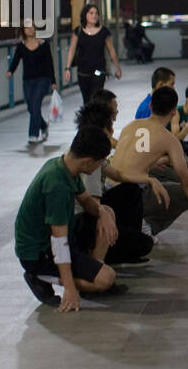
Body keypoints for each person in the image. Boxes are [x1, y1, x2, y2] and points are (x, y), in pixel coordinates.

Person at [14, 125, 124, 311]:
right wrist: (70, 288)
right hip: (38, 253)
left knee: (106, 211)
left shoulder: (64, 166)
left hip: (58, 239)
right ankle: (39, 277)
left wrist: (104, 213)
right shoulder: (56, 185)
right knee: (106, 279)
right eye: (101, 162)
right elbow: (59, 242)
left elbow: (87, 200)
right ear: (88, 162)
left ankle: (91, 271)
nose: (101, 167)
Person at [111, 86, 188, 241]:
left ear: (150, 106)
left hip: (108, 195)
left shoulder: (130, 126)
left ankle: (133, 222)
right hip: (130, 198)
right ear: (174, 112)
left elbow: (131, 157)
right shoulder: (169, 140)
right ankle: (146, 227)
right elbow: (187, 183)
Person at [71, 101, 166, 265]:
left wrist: (149, 178)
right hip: (83, 224)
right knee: (144, 244)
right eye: (110, 127)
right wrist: (108, 223)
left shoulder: (87, 148)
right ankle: (102, 258)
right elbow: (94, 207)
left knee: (130, 189)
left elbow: (119, 175)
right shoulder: (90, 163)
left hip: (88, 215)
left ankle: (122, 238)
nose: (112, 132)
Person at [6, 20, 58, 145]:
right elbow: (16, 60)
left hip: (43, 79)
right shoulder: (21, 46)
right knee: (31, 108)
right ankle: (44, 126)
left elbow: (49, 63)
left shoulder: (44, 44)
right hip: (28, 80)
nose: (29, 29)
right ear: (23, 30)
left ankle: (33, 134)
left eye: (31, 27)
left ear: (35, 28)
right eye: (26, 28)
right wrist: (10, 71)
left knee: (35, 104)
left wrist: (53, 81)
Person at [63, 4, 121, 103]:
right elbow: (72, 50)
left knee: (95, 100)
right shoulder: (78, 31)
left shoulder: (104, 32)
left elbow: (111, 50)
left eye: (96, 13)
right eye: (91, 13)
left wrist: (118, 68)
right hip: (83, 72)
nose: (94, 16)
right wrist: (67, 68)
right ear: (85, 15)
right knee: (86, 101)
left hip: (99, 72)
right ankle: (89, 118)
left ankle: (96, 118)